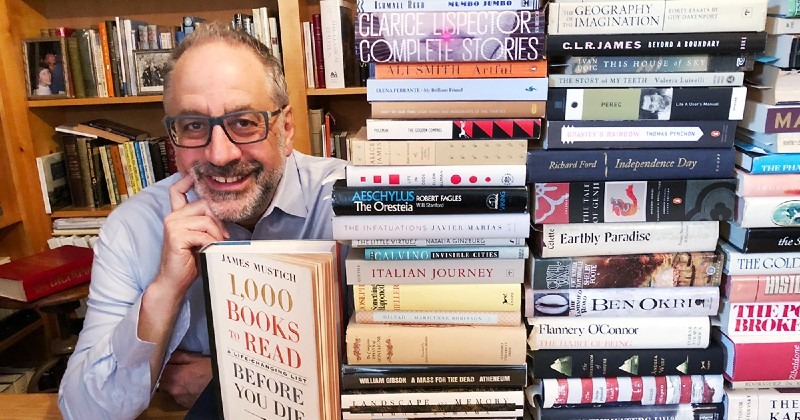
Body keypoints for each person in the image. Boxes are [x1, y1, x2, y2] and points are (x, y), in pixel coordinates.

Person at [57, 22, 346, 419]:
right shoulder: (132, 228)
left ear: (287, 127)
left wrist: (232, 383)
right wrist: (165, 290)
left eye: (244, 122)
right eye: (194, 126)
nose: (221, 154)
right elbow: (86, 411)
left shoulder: (355, 203)